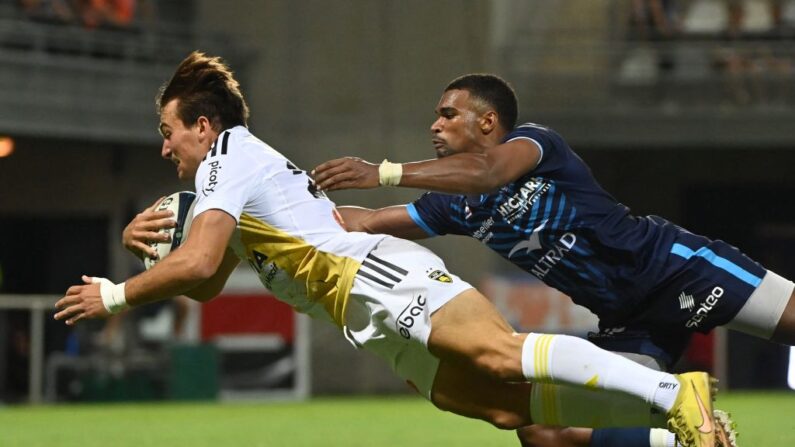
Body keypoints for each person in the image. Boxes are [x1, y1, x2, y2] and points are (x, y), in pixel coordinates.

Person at [54, 53, 725, 447]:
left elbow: (197, 263)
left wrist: (112, 292)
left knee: (499, 351)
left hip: (372, 274)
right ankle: (673, 436)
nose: (163, 145)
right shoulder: (225, 185)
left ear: (203, 126)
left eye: (168, 130)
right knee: (502, 408)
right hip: (357, 310)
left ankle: (672, 389)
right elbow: (204, 279)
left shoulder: (225, 160)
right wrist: (143, 246)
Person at [310, 73, 794, 447]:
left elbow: (487, 172)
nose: (435, 124)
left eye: (448, 114)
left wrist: (385, 171)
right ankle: (693, 438)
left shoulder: (534, 143)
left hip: (675, 268)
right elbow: (365, 223)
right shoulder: (452, 204)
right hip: (627, 318)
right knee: (544, 432)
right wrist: (279, 202)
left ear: (487, 121)